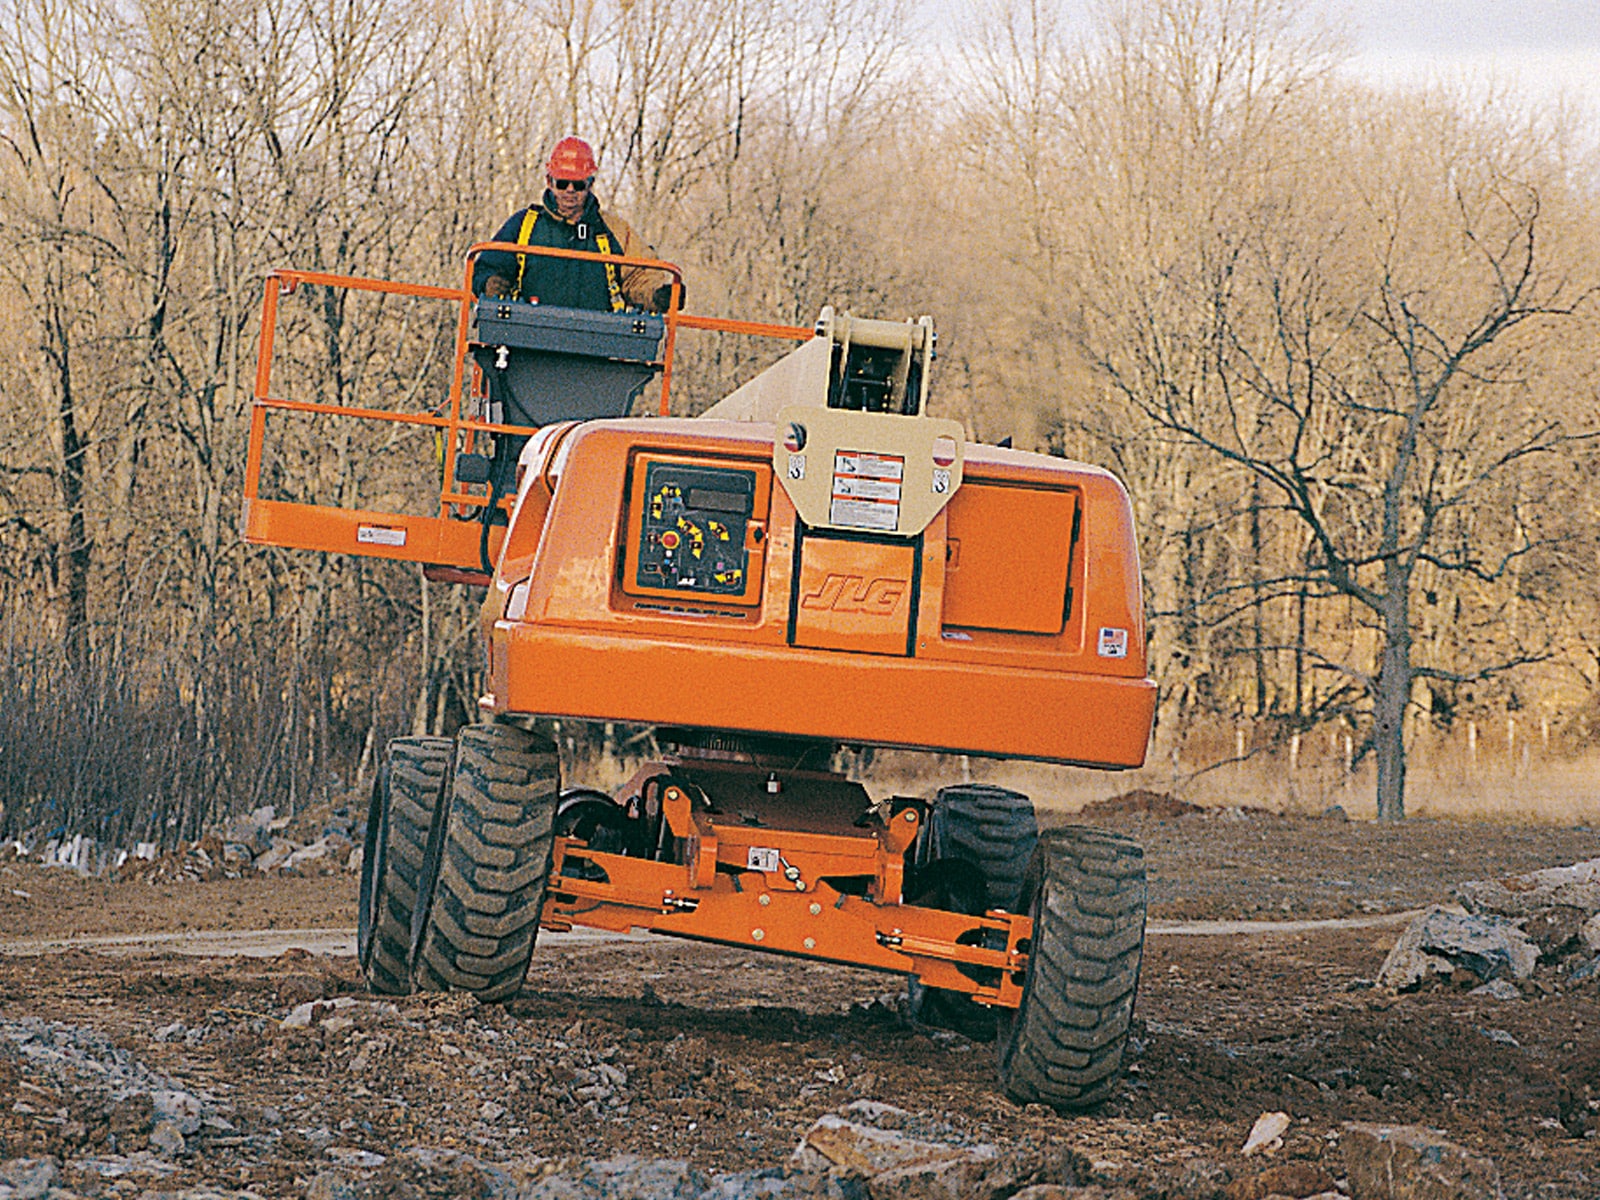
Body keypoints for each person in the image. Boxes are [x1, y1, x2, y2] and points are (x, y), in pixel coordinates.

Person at [473, 136, 675, 313]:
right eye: (562, 183)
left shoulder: (614, 230)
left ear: (590, 184)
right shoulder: (523, 226)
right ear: (549, 182)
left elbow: (640, 276)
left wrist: (658, 295)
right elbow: (486, 266)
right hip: (527, 341)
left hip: (594, 343)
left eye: (578, 185)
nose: (570, 190)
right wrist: (490, 283)